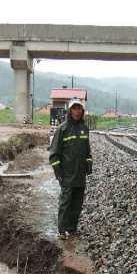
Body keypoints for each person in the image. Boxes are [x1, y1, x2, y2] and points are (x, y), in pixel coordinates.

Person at [49, 99, 93, 237]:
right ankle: (62, 230)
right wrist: (58, 173)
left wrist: (89, 164)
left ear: (82, 111)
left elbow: (87, 151)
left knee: (77, 203)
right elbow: (54, 154)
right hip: (67, 174)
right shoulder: (62, 129)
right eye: (74, 108)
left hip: (80, 174)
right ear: (70, 110)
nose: (77, 111)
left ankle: (72, 229)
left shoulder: (84, 129)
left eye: (79, 108)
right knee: (65, 203)